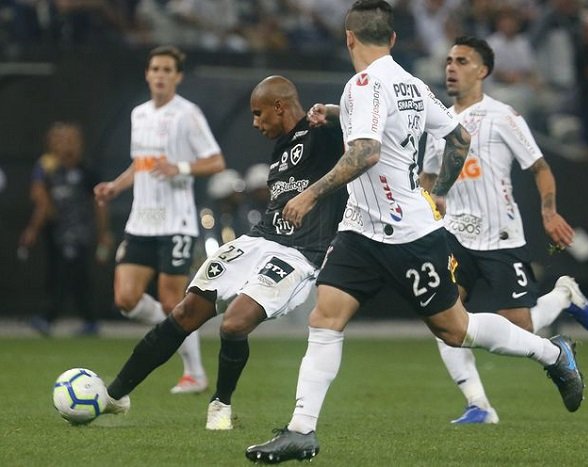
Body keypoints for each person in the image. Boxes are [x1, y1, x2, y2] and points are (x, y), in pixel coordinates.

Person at [245, 2, 584, 463]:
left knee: (456, 330)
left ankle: (553, 354)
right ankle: (301, 431)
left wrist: (310, 195)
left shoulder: (363, 84)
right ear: (392, 38)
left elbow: (366, 152)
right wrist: (437, 190)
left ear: (349, 38)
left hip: (407, 234)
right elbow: (459, 137)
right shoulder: (409, 83)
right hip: (361, 229)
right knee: (325, 318)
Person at [101, 75, 348, 430]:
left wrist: (332, 111)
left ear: (280, 106)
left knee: (234, 324)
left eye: (258, 113)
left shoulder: (323, 131)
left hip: (298, 253)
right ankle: (114, 396)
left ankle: (220, 405)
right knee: (185, 311)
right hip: (258, 241)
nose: (255, 123)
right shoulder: (281, 147)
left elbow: (361, 122)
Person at [418, 35, 588, 425]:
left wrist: (549, 213)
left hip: (500, 236)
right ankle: (479, 405)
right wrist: (425, 203)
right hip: (453, 236)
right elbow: (429, 177)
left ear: (482, 70)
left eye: (462, 61)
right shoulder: (438, 122)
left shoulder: (502, 116)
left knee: (521, 326)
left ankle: (563, 295)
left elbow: (540, 167)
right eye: (449, 61)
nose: (451, 67)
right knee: (443, 316)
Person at [94, 45, 226, 394]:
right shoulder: (138, 114)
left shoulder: (188, 114)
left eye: (168, 70)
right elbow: (141, 163)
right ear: (147, 74)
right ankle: (167, 328)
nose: (160, 75)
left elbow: (216, 161)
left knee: (172, 302)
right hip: (141, 221)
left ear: (177, 77)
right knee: (126, 299)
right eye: (155, 69)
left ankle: (194, 373)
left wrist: (179, 167)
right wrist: (116, 186)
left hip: (175, 222)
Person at [21, 122, 112, 336]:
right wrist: (34, 228)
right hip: (56, 232)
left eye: (71, 140)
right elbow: (41, 200)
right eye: (61, 140)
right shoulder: (50, 170)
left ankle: (52, 317)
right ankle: (84, 320)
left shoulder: (88, 170)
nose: (66, 145)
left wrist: (104, 233)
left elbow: (100, 205)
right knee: (60, 274)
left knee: (71, 274)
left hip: (79, 233)